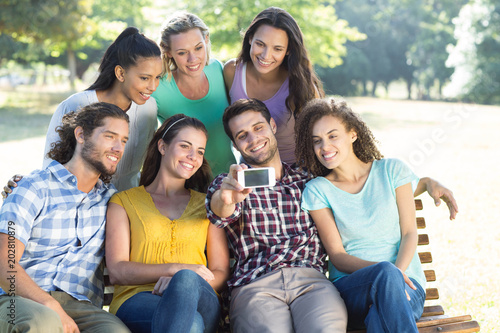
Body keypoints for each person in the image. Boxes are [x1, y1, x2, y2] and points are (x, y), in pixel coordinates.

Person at [207, 98, 347, 332]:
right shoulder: (229, 184)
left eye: (258, 128)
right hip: (255, 285)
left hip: (311, 282)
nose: (253, 139)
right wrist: (227, 199)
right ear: (235, 145)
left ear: (272, 125)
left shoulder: (307, 180)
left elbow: (357, 181)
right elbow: (220, 212)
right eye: (242, 136)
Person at [296, 97, 427, 331]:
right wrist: (384, 273)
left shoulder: (392, 170)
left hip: (408, 285)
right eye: (317, 141)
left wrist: (395, 276)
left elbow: (408, 233)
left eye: (332, 136)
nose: (324, 147)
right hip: (353, 287)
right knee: (385, 276)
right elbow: (337, 256)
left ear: (353, 134)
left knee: (379, 317)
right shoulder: (318, 190)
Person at [0, 102, 130, 332]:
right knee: (45, 323)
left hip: (82, 307)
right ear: (80, 134)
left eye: (123, 141)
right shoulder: (34, 187)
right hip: (19, 298)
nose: (118, 148)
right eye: (110, 136)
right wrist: (49, 304)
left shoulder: (113, 202)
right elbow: (4, 262)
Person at [105, 114, 230, 333]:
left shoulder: (207, 204)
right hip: (137, 299)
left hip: (203, 297)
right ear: (162, 146)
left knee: (186, 282)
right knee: (192, 324)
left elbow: (219, 271)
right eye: (185, 146)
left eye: (200, 151)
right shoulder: (124, 202)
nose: (193, 157)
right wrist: (176, 270)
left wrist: (182, 285)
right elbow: (117, 270)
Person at [43, 26, 162, 191]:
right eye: (144, 78)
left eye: (158, 78)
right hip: (80, 205)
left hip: (126, 207)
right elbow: (50, 166)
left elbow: (147, 164)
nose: (153, 86)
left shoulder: (149, 108)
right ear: (120, 73)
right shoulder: (75, 105)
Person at [223, 7, 323, 165]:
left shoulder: (301, 85)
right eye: (260, 44)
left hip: (295, 172)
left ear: (288, 50)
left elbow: (321, 136)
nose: (266, 55)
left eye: (277, 49)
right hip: (251, 171)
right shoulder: (232, 71)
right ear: (250, 38)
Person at [142, 11, 234, 176]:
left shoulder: (218, 70)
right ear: (168, 52)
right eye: (182, 52)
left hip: (229, 178)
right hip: (185, 187)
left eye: (198, 48)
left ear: (206, 40)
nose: (193, 59)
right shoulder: (158, 89)